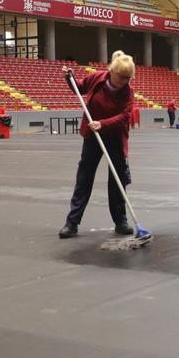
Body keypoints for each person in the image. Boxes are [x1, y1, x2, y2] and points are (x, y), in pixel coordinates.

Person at [58, 51, 137, 239]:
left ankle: (121, 221)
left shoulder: (128, 92)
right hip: (92, 136)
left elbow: (125, 117)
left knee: (117, 182)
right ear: (112, 72)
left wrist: (103, 123)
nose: (125, 81)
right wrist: (69, 78)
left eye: (128, 78)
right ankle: (72, 223)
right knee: (84, 179)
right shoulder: (96, 78)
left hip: (115, 138)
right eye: (122, 77)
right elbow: (79, 87)